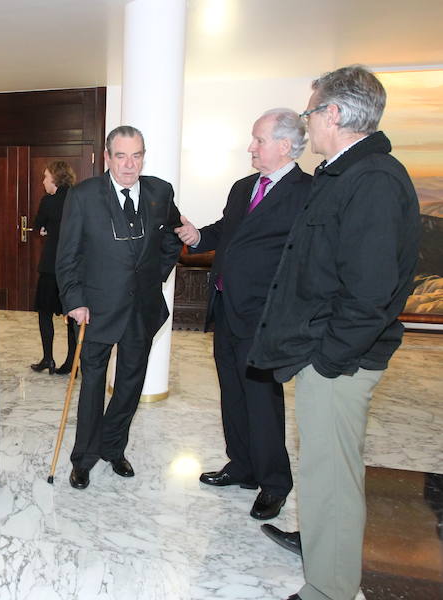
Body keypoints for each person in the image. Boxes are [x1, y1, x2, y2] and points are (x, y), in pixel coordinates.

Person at [249, 65, 421, 600]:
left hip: (338, 363)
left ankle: (329, 589)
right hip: (327, 354)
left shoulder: (372, 182)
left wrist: (326, 360)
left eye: (310, 112)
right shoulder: (348, 174)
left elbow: (368, 295)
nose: (307, 125)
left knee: (332, 478)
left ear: (335, 114)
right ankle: (323, 554)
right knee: (324, 473)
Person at [174, 108, 311, 520]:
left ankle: (274, 482)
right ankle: (242, 465)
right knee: (232, 392)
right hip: (226, 307)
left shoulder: (308, 191)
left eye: (259, 140)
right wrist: (199, 236)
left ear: (285, 145)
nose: (251, 147)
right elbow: (227, 230)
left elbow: (306, 257)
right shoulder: (243, 187)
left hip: (265, 316)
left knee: (262, 399)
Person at [56, 125, 183, 490]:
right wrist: (75, 301)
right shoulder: (83, 196)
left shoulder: (160, 191)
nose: (130, 164)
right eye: (122, 156)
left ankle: (114, 447)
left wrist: (154, 275)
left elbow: (174, 236)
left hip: (141, 309)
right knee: (93, 384)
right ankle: (84, 458)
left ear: (144, 156)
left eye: (137, 155)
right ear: (108, 157)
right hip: (96, 309)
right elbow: (68, 257)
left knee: (130, 384)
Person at [29, 160, 78, 375]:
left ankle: (48, 358)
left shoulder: (48, 201)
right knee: (73, 315)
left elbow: (38, 225)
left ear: (55, 179)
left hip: (51, 267)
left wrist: (45, 229)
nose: (43, 181)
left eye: (46, 177)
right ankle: (72, 363)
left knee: (44, 313)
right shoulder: (78, 198)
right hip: (74, 267)